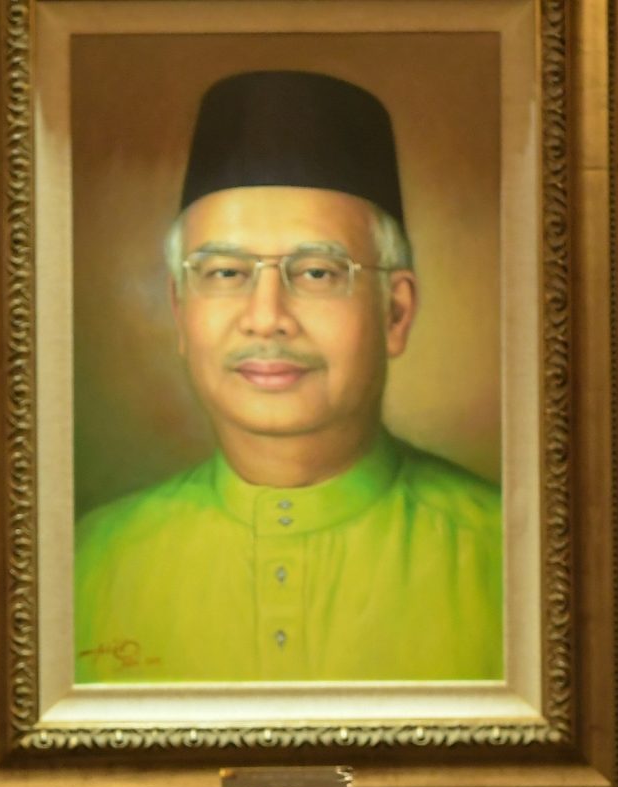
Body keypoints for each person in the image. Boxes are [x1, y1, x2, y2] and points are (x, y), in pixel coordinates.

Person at [73, 70, 502, 685]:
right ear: (178, 311)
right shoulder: (90, 563)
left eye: (319, 273)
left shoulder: (512, 562)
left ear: (395, 312)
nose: (267, 317)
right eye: (224, 272)